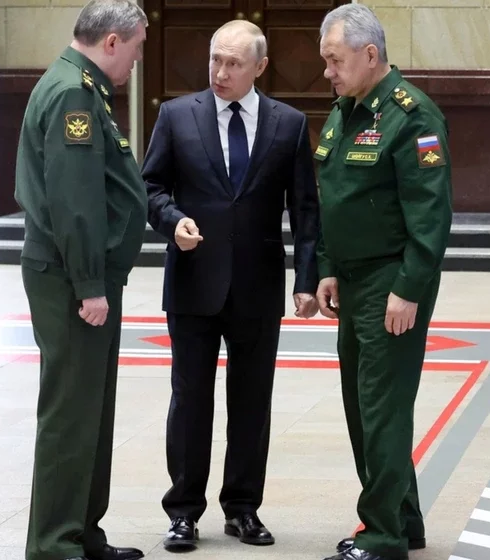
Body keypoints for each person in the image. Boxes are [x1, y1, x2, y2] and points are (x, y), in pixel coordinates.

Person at [141, 18, 320, 553]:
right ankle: (183, 513)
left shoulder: (288, 124)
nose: (220, 72)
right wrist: (172, 220)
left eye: (234, 63)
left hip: (257, 288)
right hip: (194, 284)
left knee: (251, 402)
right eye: (215, 59)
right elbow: (150, 186)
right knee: (190, 400)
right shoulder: (176, 116)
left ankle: (242, 508)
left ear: (260, 67)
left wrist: (306, 279)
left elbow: (306, 210)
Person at [312, 4, 453, 560]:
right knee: (364, 405)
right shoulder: (345, 111)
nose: (327, 72)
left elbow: (431, 214)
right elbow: (335, 198)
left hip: (390, 280)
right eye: (325, 61)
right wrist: (326, 265)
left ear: (371, 55)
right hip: (352, 278)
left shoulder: (412, 116)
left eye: (335, 60)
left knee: (381, 407)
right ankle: (404, 519)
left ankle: (381, 536)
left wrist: (409, 288)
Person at [13, 1, 149, 559]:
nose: (138, 62)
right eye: (138, 49)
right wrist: (90, 283)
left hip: (78, 273)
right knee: (71, 413)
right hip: (71, 277)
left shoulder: (82, 87)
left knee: (90, 408)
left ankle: (82, 532)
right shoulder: (74, 93)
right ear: (113, 42)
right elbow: (74, 201)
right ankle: (54, 544)